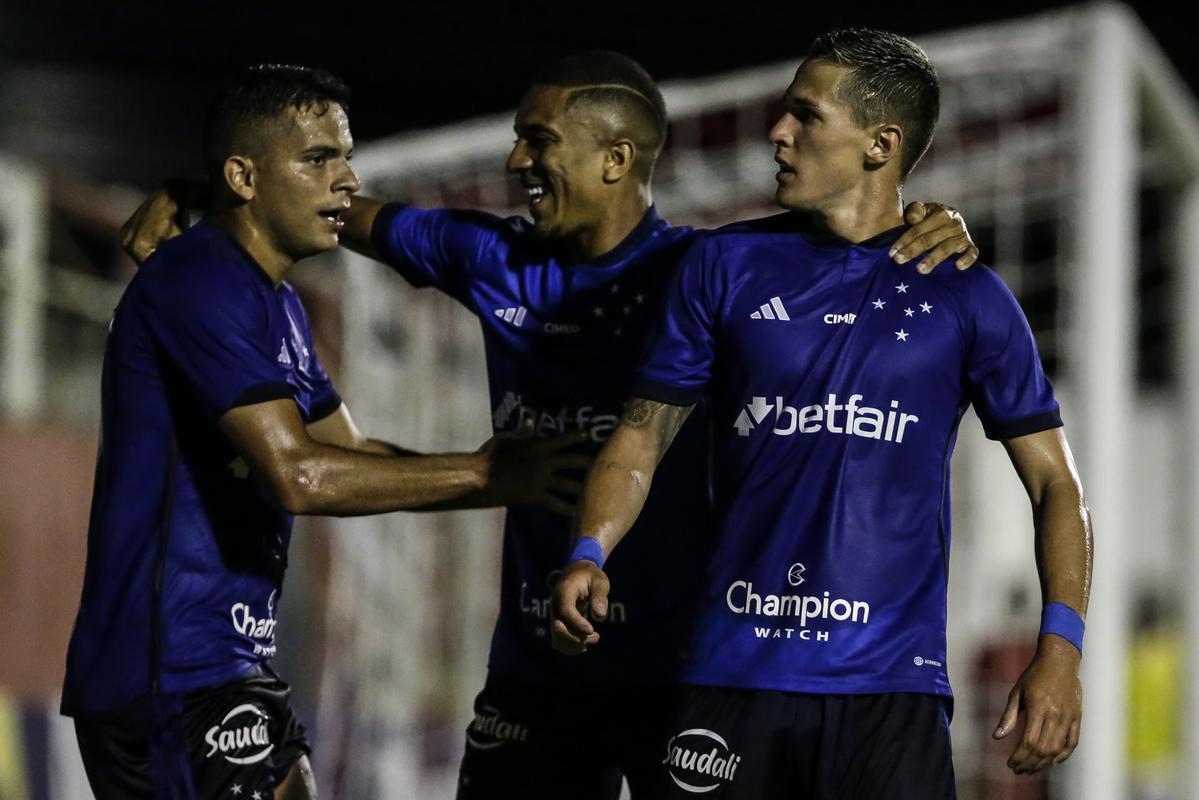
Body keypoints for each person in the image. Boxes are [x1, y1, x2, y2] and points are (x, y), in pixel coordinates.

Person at [120, 53, 982, 799]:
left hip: (681, 672)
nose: (514, 158)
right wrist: (203, 191)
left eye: (538, 140)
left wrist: (924, 221)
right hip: (537, 670)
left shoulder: (707, 271)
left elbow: (838, 236)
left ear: (614, 158)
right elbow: (334, 207)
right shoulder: (490, 257)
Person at [552, 29, 1092, 799]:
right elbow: (641, 435)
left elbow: (1055, 487)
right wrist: (587, 551)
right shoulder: (721, 265)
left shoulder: (967, 293)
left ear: (881, 143)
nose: (777, 133)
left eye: (805, 117)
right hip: (728, 676)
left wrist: (1061, 651)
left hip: (889, 693)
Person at [62, 64, 586, 800]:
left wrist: (516, 479)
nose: (345, 180)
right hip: (166, 670)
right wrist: (485, 474)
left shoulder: (271, 301)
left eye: (346, 157)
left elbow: (351, 455)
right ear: (242, 176)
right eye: (318, 159)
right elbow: (300, 476)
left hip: (220, 662)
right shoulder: (199, 282)